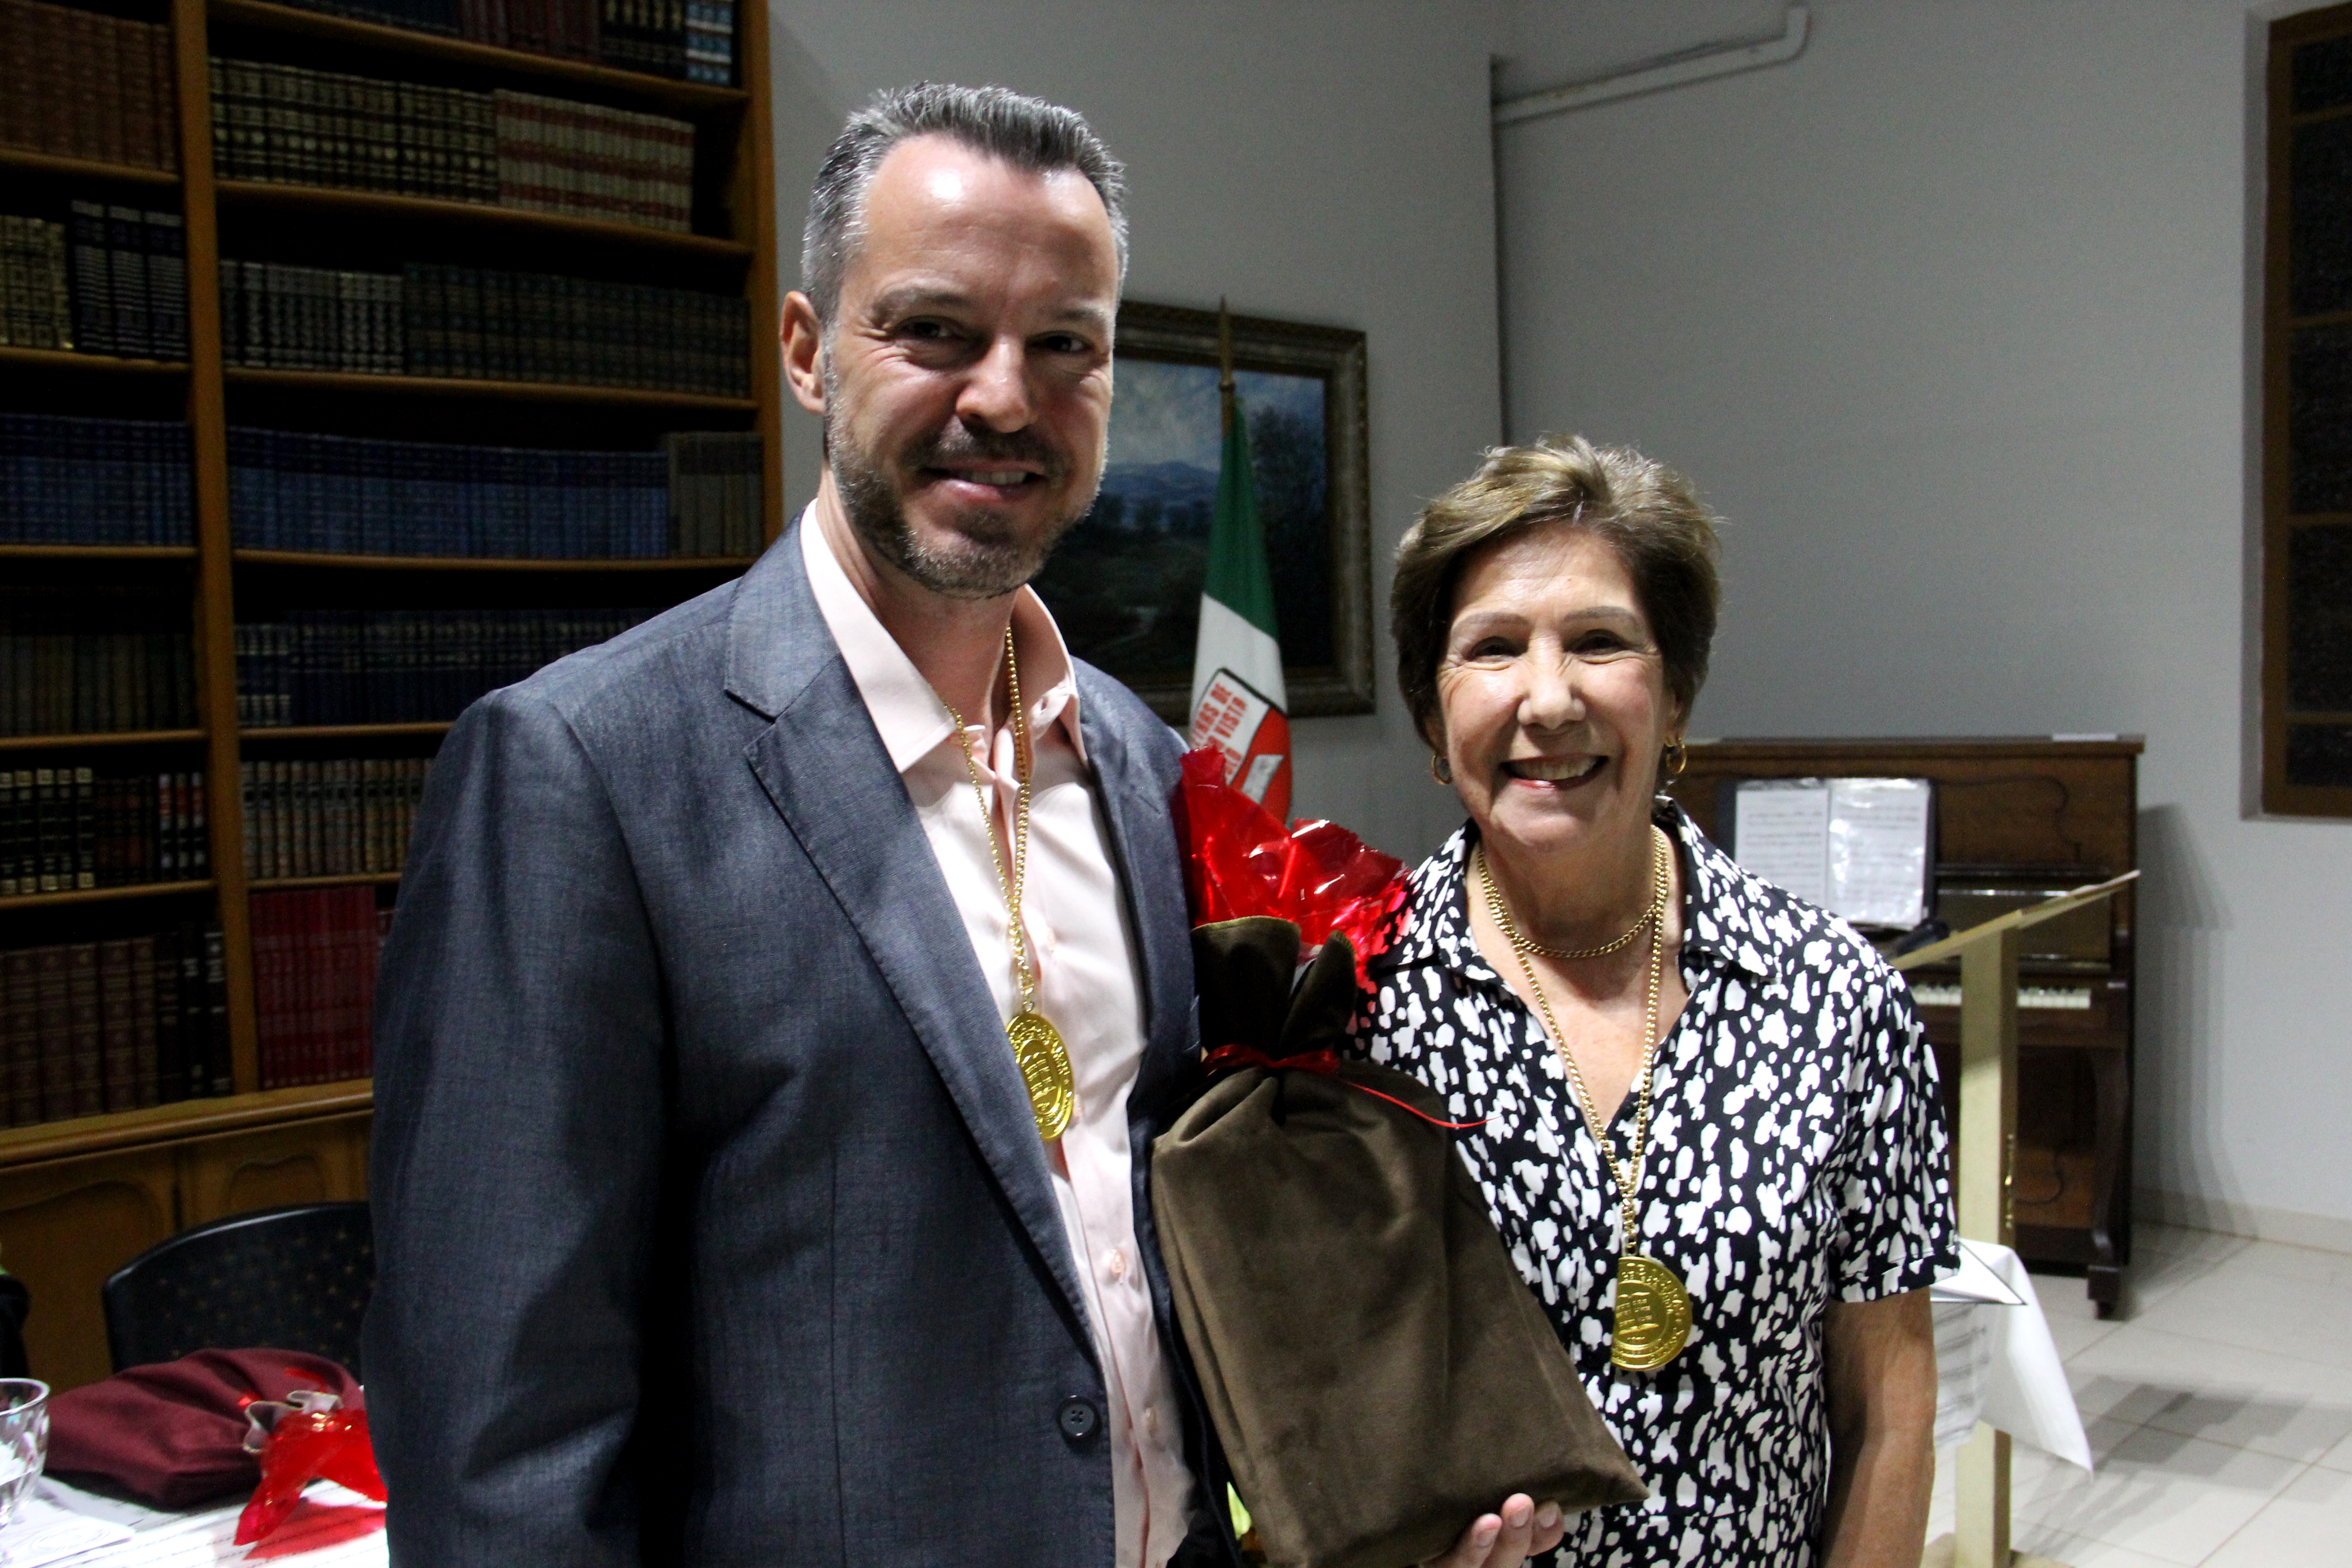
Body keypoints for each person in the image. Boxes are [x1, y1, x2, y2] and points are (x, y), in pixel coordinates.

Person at [364, 84, 1225, 1568]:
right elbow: (499, 1448)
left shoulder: (1139, 766)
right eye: (937, 331)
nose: (1006, 399)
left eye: (1063, 346)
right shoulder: (584, 771)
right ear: (810, 351)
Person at [1359, 436, 1955, 1568]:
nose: (1549, 698)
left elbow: (1890, 1408)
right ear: (1435, 722)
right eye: (1491, 649)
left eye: (1599, 642)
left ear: (1674, 697)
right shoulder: (1347, 1011)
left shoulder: (1839, 1003)